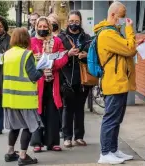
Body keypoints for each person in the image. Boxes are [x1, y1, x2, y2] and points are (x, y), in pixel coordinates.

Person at [94, 2, 137, 164]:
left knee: (116, 119)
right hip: (113, 83)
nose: (124, 20)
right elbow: (129, 49)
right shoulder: (107, 34)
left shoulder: (113, 32)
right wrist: (129, 30)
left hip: (119, 82)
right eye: (122, 16)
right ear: (113, 15)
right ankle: (105, 153)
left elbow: (127, 49)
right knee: (111, 119)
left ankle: (113, 149)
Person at [30, 16, 79, 152]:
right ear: (36, 27)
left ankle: (52, 142)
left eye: (45, 27)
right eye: (40, 27)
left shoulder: (57, 41)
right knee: (37, 111)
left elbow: (63, 58)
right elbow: (28, 61)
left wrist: (51, 64)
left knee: (53, 111)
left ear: (50, 28)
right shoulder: (32, 41)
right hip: (38, 82)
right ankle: (37, 142)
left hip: (53, 81)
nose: (42, 29)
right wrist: (39, 64)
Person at [3, 27, 43, 165]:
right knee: (28, 127)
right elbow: (34, 76)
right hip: (25, 99)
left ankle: (10, 153)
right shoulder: (27, 55)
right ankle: (23, 156)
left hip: (9, 98)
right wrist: (42, 68)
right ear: (26, 39)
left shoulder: (6, 54)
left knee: (15, 127)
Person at [58, 10, 91, 148]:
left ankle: (79, 136)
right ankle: (67, 137)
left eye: (76, 21)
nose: (74, 24)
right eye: (71, 21)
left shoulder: (87, 37)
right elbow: (56, 54)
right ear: (67, 22)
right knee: (67, 108)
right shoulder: (61, 37)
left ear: (80, 22)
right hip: (66, 77)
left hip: (83, 77)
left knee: (79, 108)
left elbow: (94, 55)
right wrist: (68, 53)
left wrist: (86, 55)